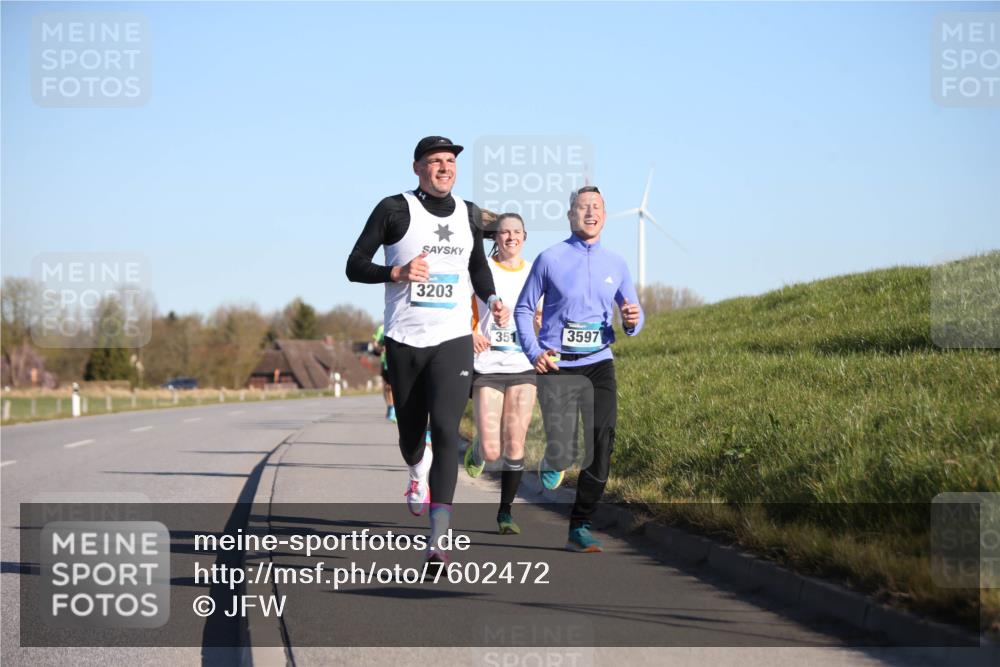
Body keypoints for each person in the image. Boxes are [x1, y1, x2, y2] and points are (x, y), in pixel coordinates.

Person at [346, 136, 509, 567]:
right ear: (417, 168)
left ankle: (438, 541)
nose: (445, 168)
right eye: (435, 161)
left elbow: (476, 265)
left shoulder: (469, 214)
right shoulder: (393, 209)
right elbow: (354, 264)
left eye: (450, 161)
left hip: (453, 339)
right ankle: (416, 469)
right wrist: (397, 271)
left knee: (448, 430)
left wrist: (490, 298)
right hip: (405, 340)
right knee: (412, 435)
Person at [514, 185, 644, 553]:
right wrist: (533, 350)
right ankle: (556, 456)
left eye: (597, 207)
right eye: (583, 207)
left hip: (599, 362)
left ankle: (580, 524)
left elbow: (633, 313)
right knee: (565, 444)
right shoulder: (549, 258)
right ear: (570, 215)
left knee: (602, 443)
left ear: (605, 214)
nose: (590, 212)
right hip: (557, 364)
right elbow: (524, 310)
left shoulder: (616, 263)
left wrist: (633, 319)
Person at [464, 213, 543, 535]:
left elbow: (545, 315)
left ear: (525, 236)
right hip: (487, 364)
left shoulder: (535, 273)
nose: (510, 237)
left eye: (516, 232)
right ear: (495, 237)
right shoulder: (483, 272)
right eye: (504, 232)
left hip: (523, 365)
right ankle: (480, 447)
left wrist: (539, 325)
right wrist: (471, 333)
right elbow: (459, 308)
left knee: (515, 443)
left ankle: (506, 513)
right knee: (493, 448)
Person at [372, 323, 395, 422]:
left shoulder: (399, 324)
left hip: (396, 360)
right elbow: (375, 343)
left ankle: (394, 409)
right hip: (385, 361)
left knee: (394, 386)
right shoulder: (381, 328)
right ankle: (390, 407)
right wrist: (380, 349)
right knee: (387, 387)